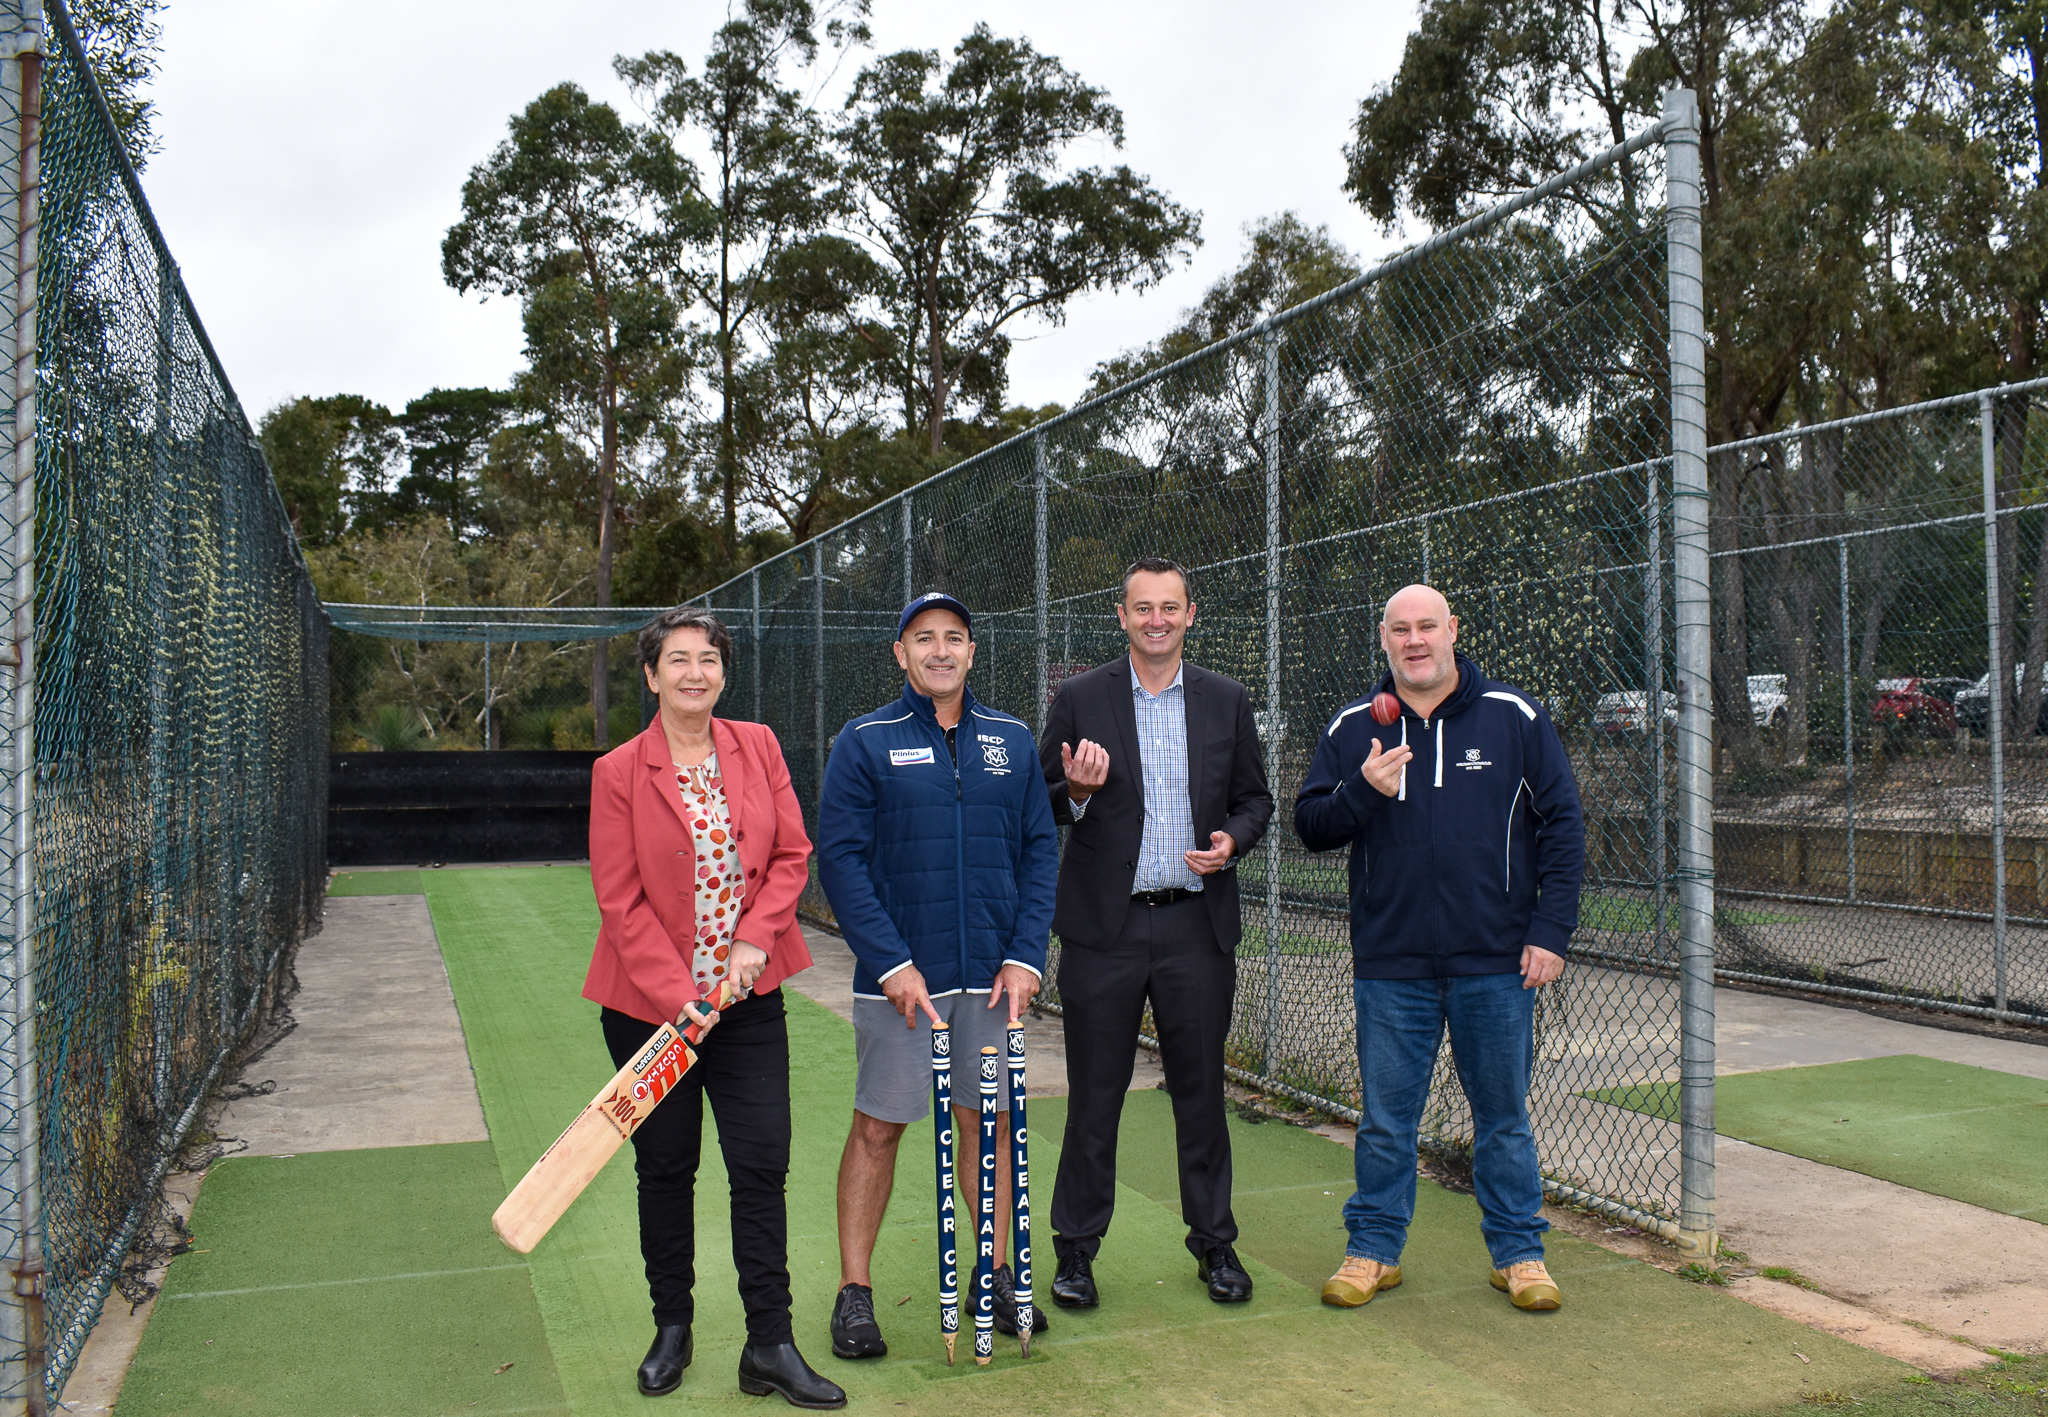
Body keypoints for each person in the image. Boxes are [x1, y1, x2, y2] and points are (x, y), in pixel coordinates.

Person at [1293, 584, 1584, 1314]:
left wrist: (1551, 931)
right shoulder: (1357, 724)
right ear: (1383, 638)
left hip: (1496, 961)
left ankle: (1519, 1254)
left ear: (1453, 629)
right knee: (1388, 1121)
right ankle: (1373, 1251)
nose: (1415, 640)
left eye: (1428, 625)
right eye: (1400, 629)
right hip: (1393, 966)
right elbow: (1311, 825)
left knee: (1504, 1120)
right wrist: (1363, 788)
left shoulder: (1513, 716)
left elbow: (1565, 825)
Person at [584, 607, 845, 1409]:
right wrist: (684, 999)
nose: (694, 672)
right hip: (648, 1011)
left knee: (761, 1166)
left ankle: (769, 1343)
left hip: (750, 1001)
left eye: (708, 659)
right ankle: (673, 1326)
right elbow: (620, 900)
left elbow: (792, 854)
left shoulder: (758, 745)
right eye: (677, 659)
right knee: (666, 1168)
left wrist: (752, 946)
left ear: (722, 672)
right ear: (652, 674)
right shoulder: (620, 771)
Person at [817, 591, 1060, 1360]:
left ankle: (994, 1276)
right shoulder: (865, 740)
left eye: (955, 636)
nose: (941, 650)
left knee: (984, 1133)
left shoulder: (1014, 740)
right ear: (901, 653)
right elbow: (842, 860)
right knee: (878, 1128)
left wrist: (1025, 955)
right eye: (925, 638)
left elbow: (1039, 851)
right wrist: (891, 963)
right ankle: (855, 1293)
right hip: (902, 982)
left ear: (972, 651)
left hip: (990, 979)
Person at [1036, 557, 1274, 1308]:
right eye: (1144, 607)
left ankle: (1215, 1245)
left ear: (1190, 614)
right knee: (1094, 1097)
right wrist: (1074, 791)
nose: (1157, 619)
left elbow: (1256, 799)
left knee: (1201, 1096)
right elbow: (1036, 804)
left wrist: (1231, 842)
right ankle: (1075, 1252)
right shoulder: (1078, 698)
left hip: (1195, 927)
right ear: (1122, 615)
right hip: (1102, 935)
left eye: (1170, 606)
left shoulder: (1226, 700)